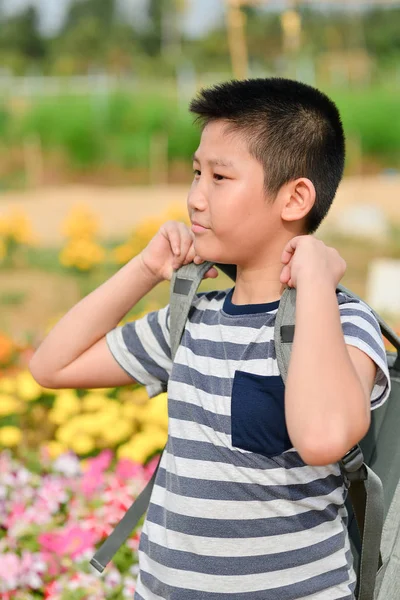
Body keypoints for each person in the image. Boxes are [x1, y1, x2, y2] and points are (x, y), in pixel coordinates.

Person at [29, 78, 391, 600]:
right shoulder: (192, 317)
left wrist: (314, 281)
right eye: (196, 172)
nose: (196, 198)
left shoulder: (344, 323)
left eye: (220, 177)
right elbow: (52, 365)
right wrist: (145, 269)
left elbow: (323, 437)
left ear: (295, 198)